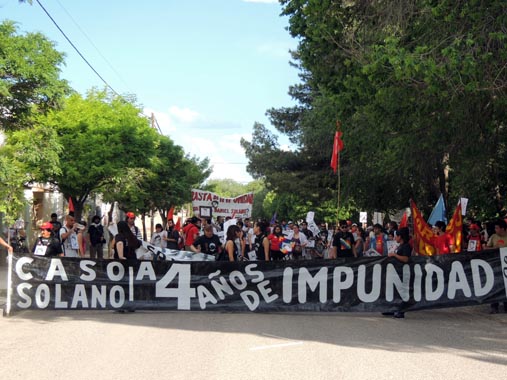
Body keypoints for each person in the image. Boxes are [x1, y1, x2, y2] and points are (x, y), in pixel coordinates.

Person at [385, 227, 412, 318]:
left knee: (402, 291)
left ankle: (401, 311)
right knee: (395, 291)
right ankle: (393, 309)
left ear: (401, 237)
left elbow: (405, 259)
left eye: (396, 236)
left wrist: (394, 255)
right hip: (396, 272)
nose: (395, 238)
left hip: (403, 273)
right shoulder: (399, 246)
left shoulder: (406, 246)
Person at [486, 219, 507, 313]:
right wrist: (494, 248)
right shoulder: (493, 237)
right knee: (495, 284)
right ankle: (494, 306)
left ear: (503, 228)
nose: (495, 229)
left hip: (505, 266)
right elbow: (486, 248)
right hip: (495, 265)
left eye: (497, 228)